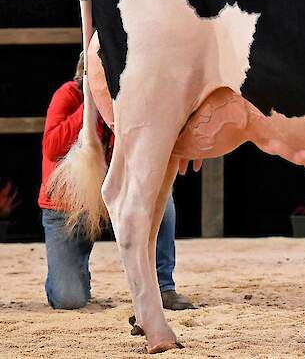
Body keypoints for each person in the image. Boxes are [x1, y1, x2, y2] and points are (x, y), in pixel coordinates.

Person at [39, 54, 194, 310]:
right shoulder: (69, 95)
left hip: (116, 193)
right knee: (69, 299)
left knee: (161, 196)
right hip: (68, 203)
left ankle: (163, 286)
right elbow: (52, 147)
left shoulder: (130, 100)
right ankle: (71, 274)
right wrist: (90, 107)